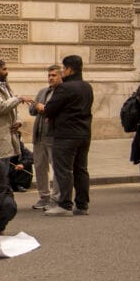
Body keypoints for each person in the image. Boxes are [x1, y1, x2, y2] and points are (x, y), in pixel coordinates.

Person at [38, 55, 93, 217]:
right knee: (81, 169)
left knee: (63, 170)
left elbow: (50, 109)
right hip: (84, 133)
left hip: (65, 134)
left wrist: (43, 107)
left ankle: (64, 204)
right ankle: (82, 205)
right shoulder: (87, 87)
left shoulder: (64, 88)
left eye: (63, 68)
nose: (62, 71)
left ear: (69, 69)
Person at [29, 65, 61, 209]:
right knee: (40, 167)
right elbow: (32, 110)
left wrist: (45, 109)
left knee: (57, 168)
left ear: (61, 76)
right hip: (39, 135)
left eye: (54, 75)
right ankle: (44, 197)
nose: (50, 78)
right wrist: (37, 107)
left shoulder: (62, 93)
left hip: (53, 136)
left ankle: (56, 198)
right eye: (49, 75)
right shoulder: (43, 91)